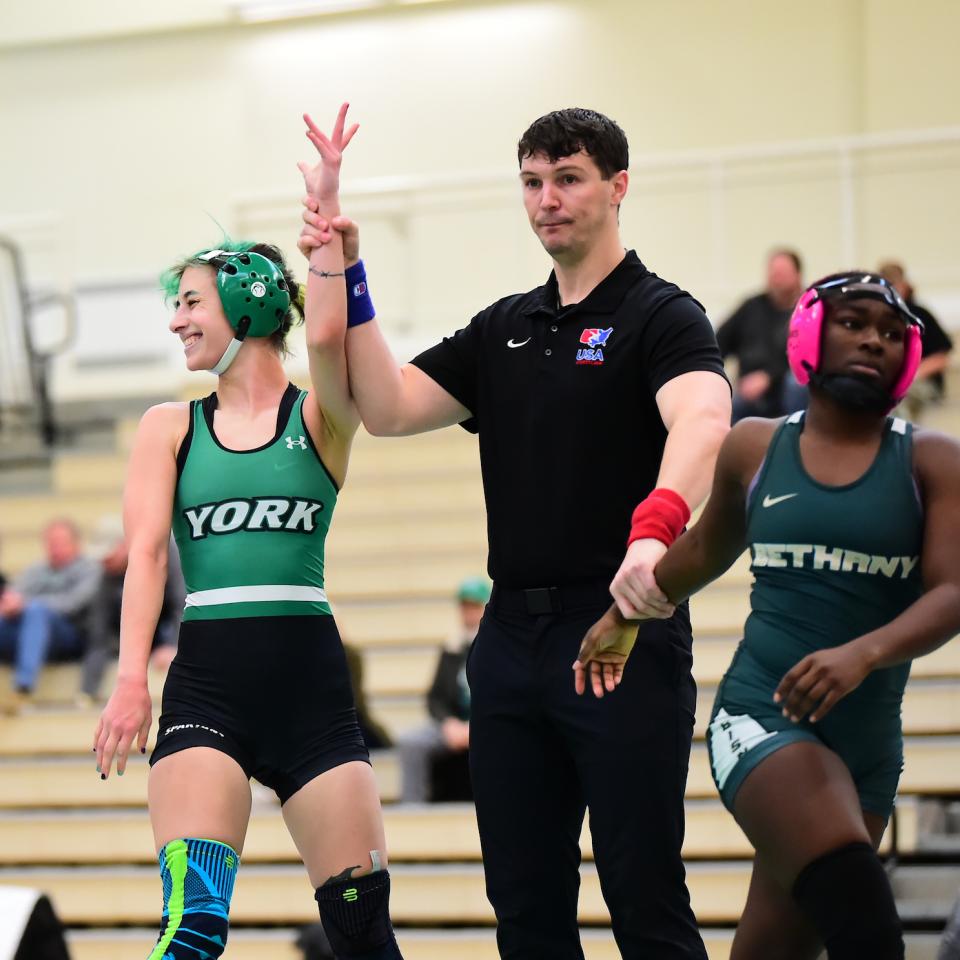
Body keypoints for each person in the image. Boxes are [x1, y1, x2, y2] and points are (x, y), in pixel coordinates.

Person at [299, 104, 731, 959]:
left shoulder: (661, 316)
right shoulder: (505, 327)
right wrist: (347, 267)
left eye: (568, 179)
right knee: (525, 910)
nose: (547, 200)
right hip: (508, 645)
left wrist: (654, 533)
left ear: (618, 186)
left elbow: (704, 420)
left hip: (617, 636)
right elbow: (384, 406)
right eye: (532, 183)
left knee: (644, 896)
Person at [93, 109, 404, 960]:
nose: (175, 321)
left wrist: (328, 222)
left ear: (243, 304)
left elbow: (335, 335)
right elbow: (149, 554)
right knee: (191, 929)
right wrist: (130, 681)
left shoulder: (323, 418)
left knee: (362, 934)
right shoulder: (168, 427)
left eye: (189, 303)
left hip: (312, 691)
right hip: (207, 695)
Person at [576, 272, 960, 959]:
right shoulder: (755, 446)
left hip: (868, 749)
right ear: (809, 332)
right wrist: (624, 614)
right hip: (763, 717)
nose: (874, 337)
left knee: (773, 950)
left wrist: (864, 653)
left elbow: (953, 592)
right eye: (854, 321)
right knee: (868, 932)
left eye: (891, 331)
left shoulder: (933, 459)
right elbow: (701, 550)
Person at [396, 576, 489, 803]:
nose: (469, 612)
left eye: (474, 606)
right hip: (453, 726)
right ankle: (412, 810)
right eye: (465, 606)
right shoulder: (451, 647)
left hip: (488, 724)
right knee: (411, 742)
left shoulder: (497, 648)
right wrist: (448, 723)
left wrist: (474, 726)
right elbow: (435, 698)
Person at [0, 519, 100, 712]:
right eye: (51, 543)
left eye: (61, 543)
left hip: (69, 635)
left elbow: (75, 602)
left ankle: (23, 687)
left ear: (76, 543)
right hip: (28, 635)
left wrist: (29, 604)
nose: (55, 549)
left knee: (37, 610)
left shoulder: (90, 569)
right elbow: (16, 594)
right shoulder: (35, 570)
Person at [78, 530, 185, 703]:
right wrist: (87, 689)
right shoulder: (108, 572)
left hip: (172, 621)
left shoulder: (167, 552)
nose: (105, 563)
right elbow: (99, 630)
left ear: (125, 545)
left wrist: (175, 645)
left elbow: (181, 602)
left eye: (109, 556)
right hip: (146, 622)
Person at [717, 249, 807, 421]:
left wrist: (769, 377)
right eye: (773, 272)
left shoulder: (807, 312)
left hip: (785, 385)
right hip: (749, 389)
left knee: (796, 385)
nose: (776, 278)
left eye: (782, 273)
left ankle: (796, 440)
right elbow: (719, 343)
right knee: (724, 403)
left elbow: (806, 357)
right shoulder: (751, 307)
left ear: (797, 275)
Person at [878, 261, 953, 421]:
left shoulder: (920, 315)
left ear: (905, 285)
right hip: (888, 380)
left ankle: (898, 441)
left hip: (921, 383)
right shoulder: (878, 317)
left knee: (900, 397)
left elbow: (941, 358)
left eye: (895, 285)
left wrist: (912, 375)